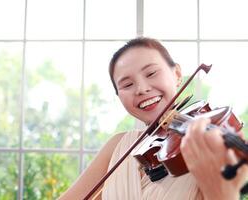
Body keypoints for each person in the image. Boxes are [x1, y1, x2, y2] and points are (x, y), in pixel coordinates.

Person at [59, 37, 248, 200]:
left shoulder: (209, 144)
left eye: (151, 73)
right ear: (119, 96)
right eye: (127, 84)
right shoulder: (119, 146)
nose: (141, 88)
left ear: (177, 74)